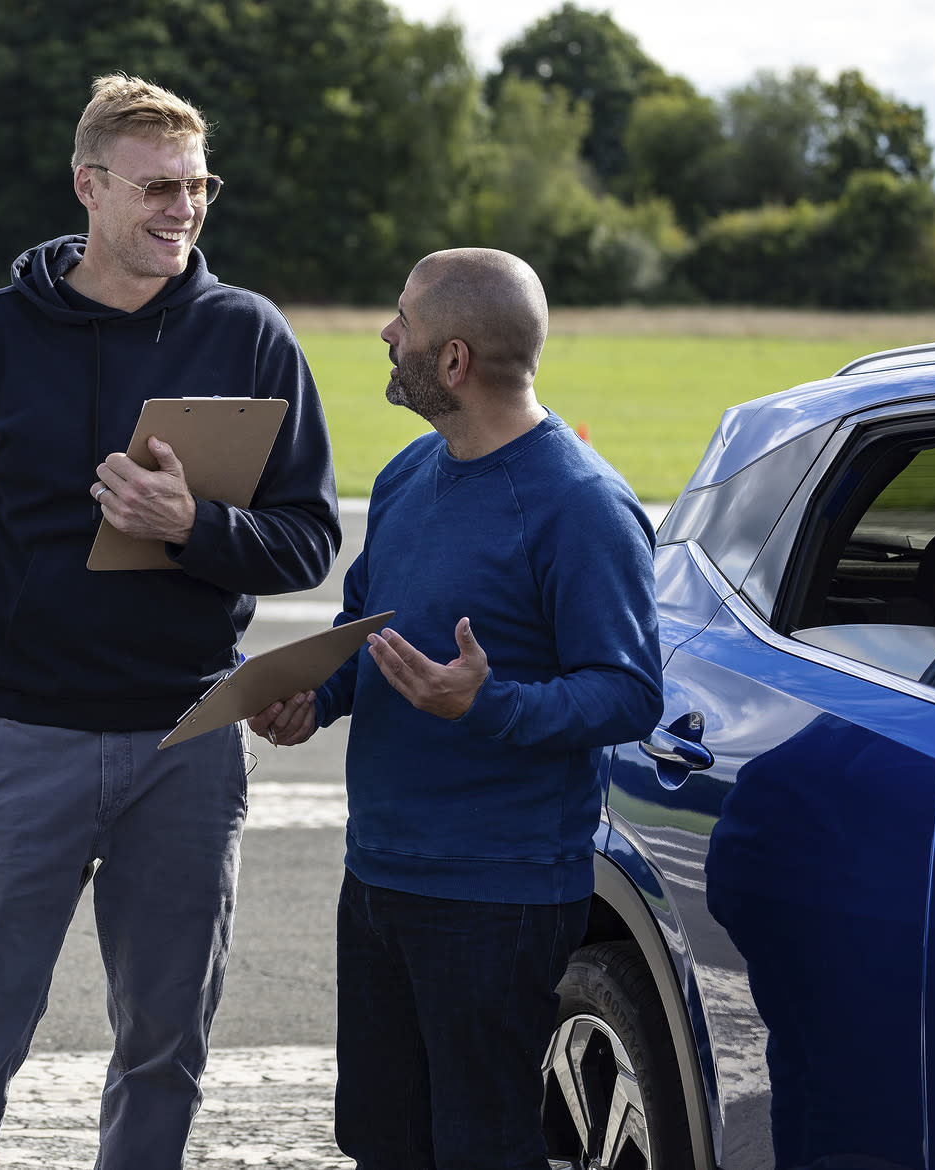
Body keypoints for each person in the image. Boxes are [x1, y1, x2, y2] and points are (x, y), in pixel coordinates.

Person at [0, 73, 341, 1170]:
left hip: (187, 743)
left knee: (166, 1043)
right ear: (87, 185)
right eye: (157, 186)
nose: (182, 208)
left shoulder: (250, 337)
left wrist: (192, 525)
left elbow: (308, 539)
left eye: (197, 185)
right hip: (26, 737)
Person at [250, 247, 662, 1168]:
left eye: (405, 322)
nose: (386, 334)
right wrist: (314, 699)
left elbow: (631, 691)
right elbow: (368, 630)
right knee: (383, 1142)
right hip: (380, 879)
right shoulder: (408, 474)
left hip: (499, 897)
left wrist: (490, 704)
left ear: (454, 362)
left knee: (482, 1147)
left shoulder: (582, 505)